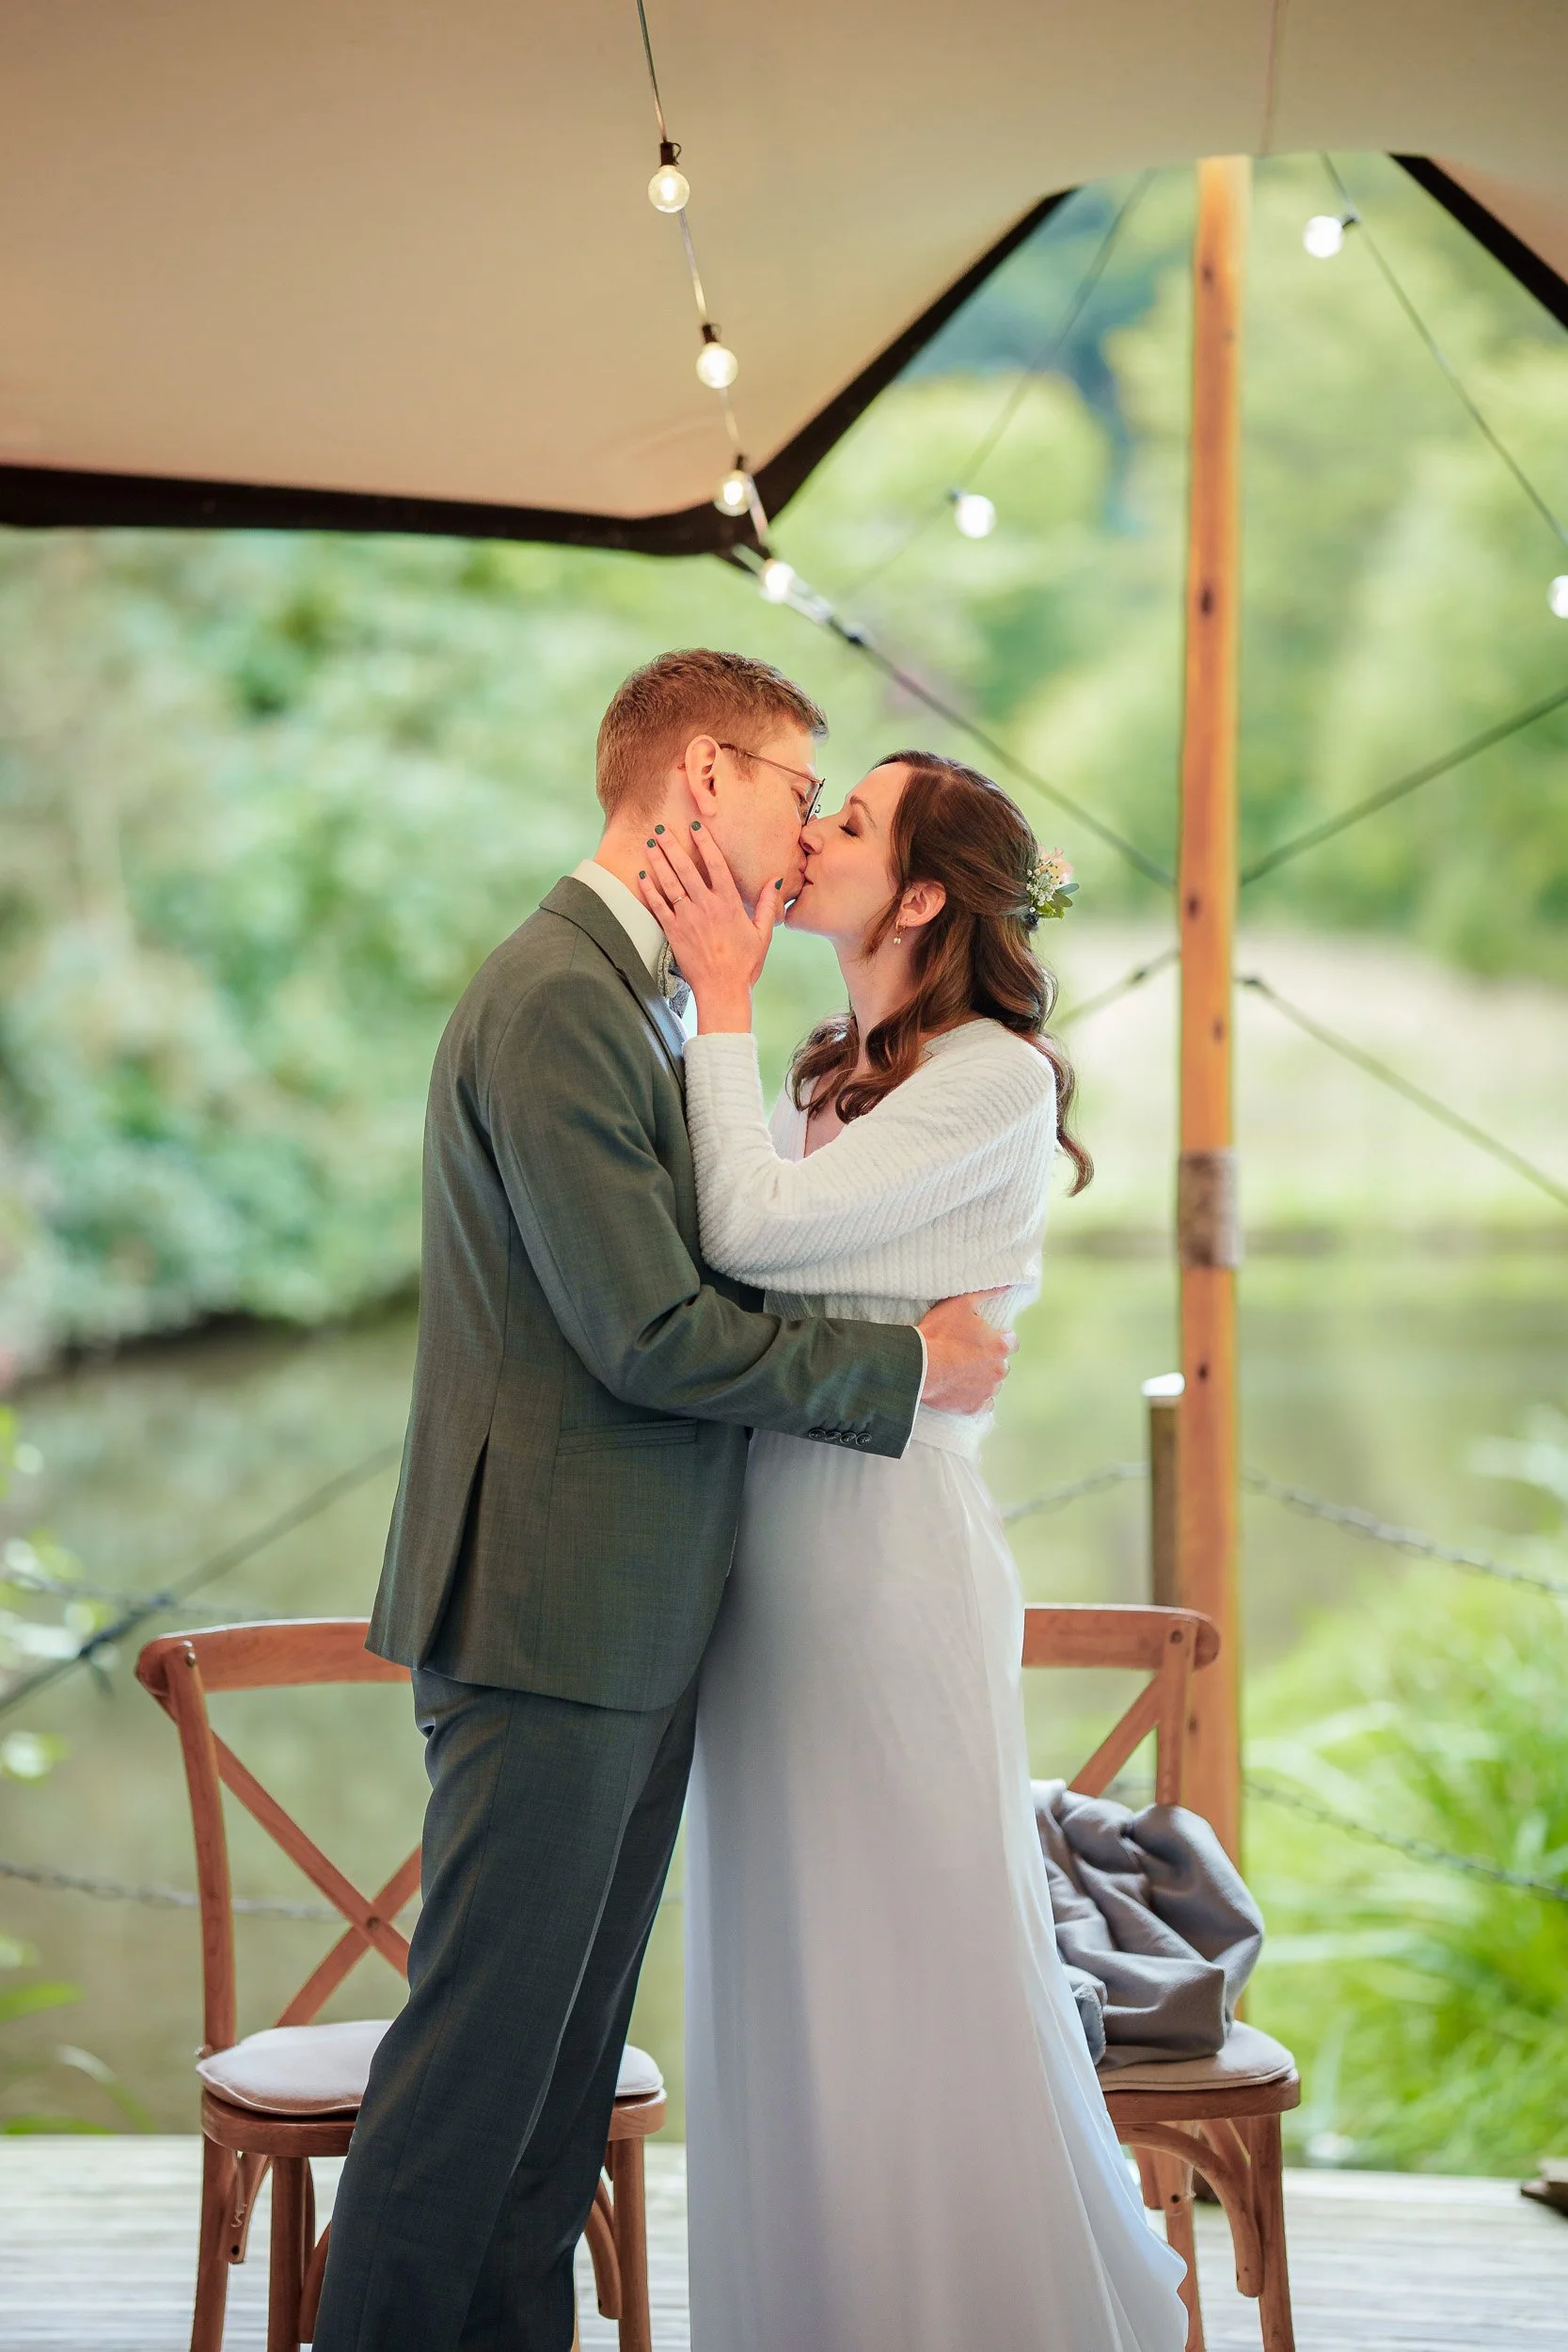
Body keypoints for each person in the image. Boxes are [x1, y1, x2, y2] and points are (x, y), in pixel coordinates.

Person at [310, 655, 1012, 2352]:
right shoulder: (558, 994)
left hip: (622, 1618)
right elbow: (641, 1333)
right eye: (796, 785)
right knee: (475, 2089)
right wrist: (900, 1375)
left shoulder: (642, 997)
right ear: (700, 777)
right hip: (552, 1614)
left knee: (549, 2114)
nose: (800, 832)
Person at [639, 750, 1189, 2352]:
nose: (807, 837)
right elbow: (721, 1257)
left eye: (850, 822)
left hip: (886, 1562)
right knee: (789, 1965)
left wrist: (716, 987)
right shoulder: (835, 1071)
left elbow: (743, 1237)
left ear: (926, 894)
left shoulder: (992, 1074)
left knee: (910, 1957)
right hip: (769, 1552)